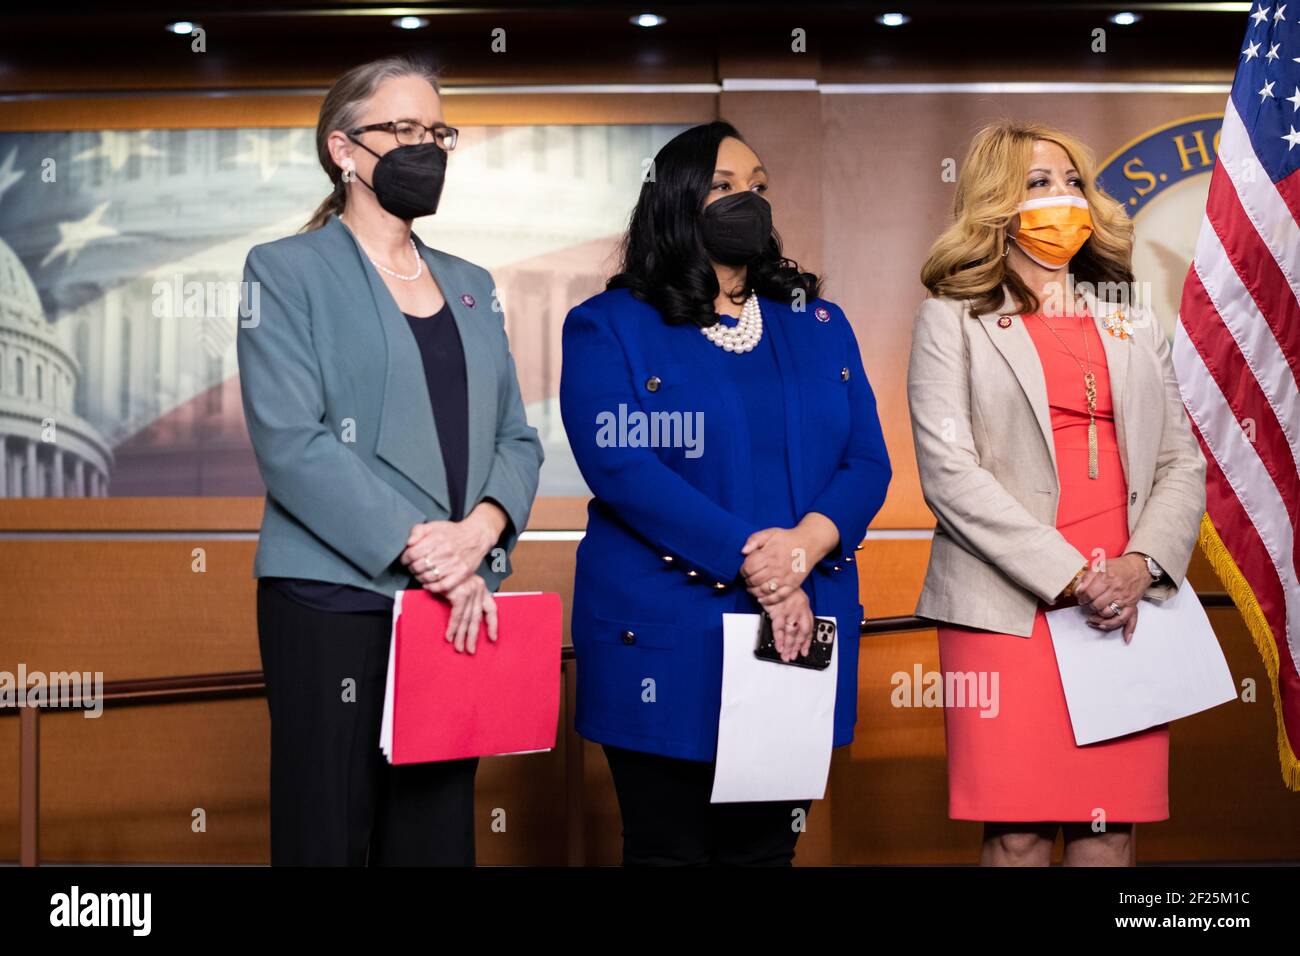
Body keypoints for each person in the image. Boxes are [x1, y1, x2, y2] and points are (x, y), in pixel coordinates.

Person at [236, 55, 543, 865]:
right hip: (332, 597)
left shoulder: (473, 284)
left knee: (435, 837)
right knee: (328, 833)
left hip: (455, 599)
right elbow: (291, 444)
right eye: (401, 130)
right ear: (343, 150)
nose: (425, 148)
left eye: (436, 132)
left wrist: (477, 534)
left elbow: (518, 437)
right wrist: (428, 548)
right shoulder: (284, 270)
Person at [559, 121, 892, 866]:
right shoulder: (609, 326)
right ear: (676, 201)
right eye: (724, 186)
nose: (749, 201)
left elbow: (868, 461)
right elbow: (622, 467)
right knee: (668, 850)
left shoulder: (820, 324)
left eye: (760, 187)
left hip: (799, 625)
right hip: (666, 632)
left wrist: (802, 548)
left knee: (766, 851)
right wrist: (755, 560)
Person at [908, 120, 1207, 866]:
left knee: (1109, 831)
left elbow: (1182, 460)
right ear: (996, 202)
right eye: (1040, 183)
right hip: (1008, 611)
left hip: (1126, 607)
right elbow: (950, 473)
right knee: (1019, 833)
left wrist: (1139, 568)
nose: (1064, 197)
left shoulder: (1130, 318)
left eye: (1073, 181)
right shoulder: (951, 320)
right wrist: (1070, 576)